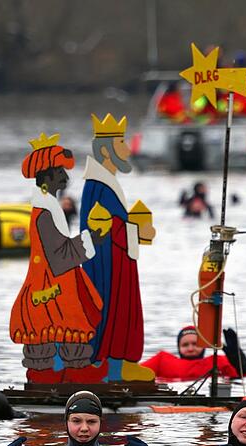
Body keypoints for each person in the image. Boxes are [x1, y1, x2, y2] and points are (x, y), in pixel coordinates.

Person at [9, 132, 105, 384]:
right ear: (48, 176)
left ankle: (69, 373)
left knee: (73, 324)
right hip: (50, 284)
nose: (65, 177)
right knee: (66, 326)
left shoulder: (49, 207)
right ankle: (55, 377)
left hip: (57, 280)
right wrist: (89, 240)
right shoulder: (44, 213)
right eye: (60, 171)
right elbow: (57, 256)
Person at [80, 114, 156, 382]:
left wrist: (136, 230)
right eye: (121, 142)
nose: (127, 148)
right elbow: (104, 225)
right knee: (112, 306)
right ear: (105, 150)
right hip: (107, 263)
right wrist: (137, 229)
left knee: (122, 307)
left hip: (118, 259)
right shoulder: (97, 185)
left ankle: (119, 362)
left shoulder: (106, 183)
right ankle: (111, 365)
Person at [0, 391, 157, 446]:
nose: (84, 428)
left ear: (100, 423)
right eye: (76, 421)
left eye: (91, 421)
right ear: (66, 422)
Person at [141, 326, 246, 382]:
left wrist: (239, 360)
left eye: (195, 344)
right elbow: (135, 374)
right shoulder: (162, 360)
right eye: (185, 345)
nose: (190, 348)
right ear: (178, 347)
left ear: (203, 345)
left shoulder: (218, 361)